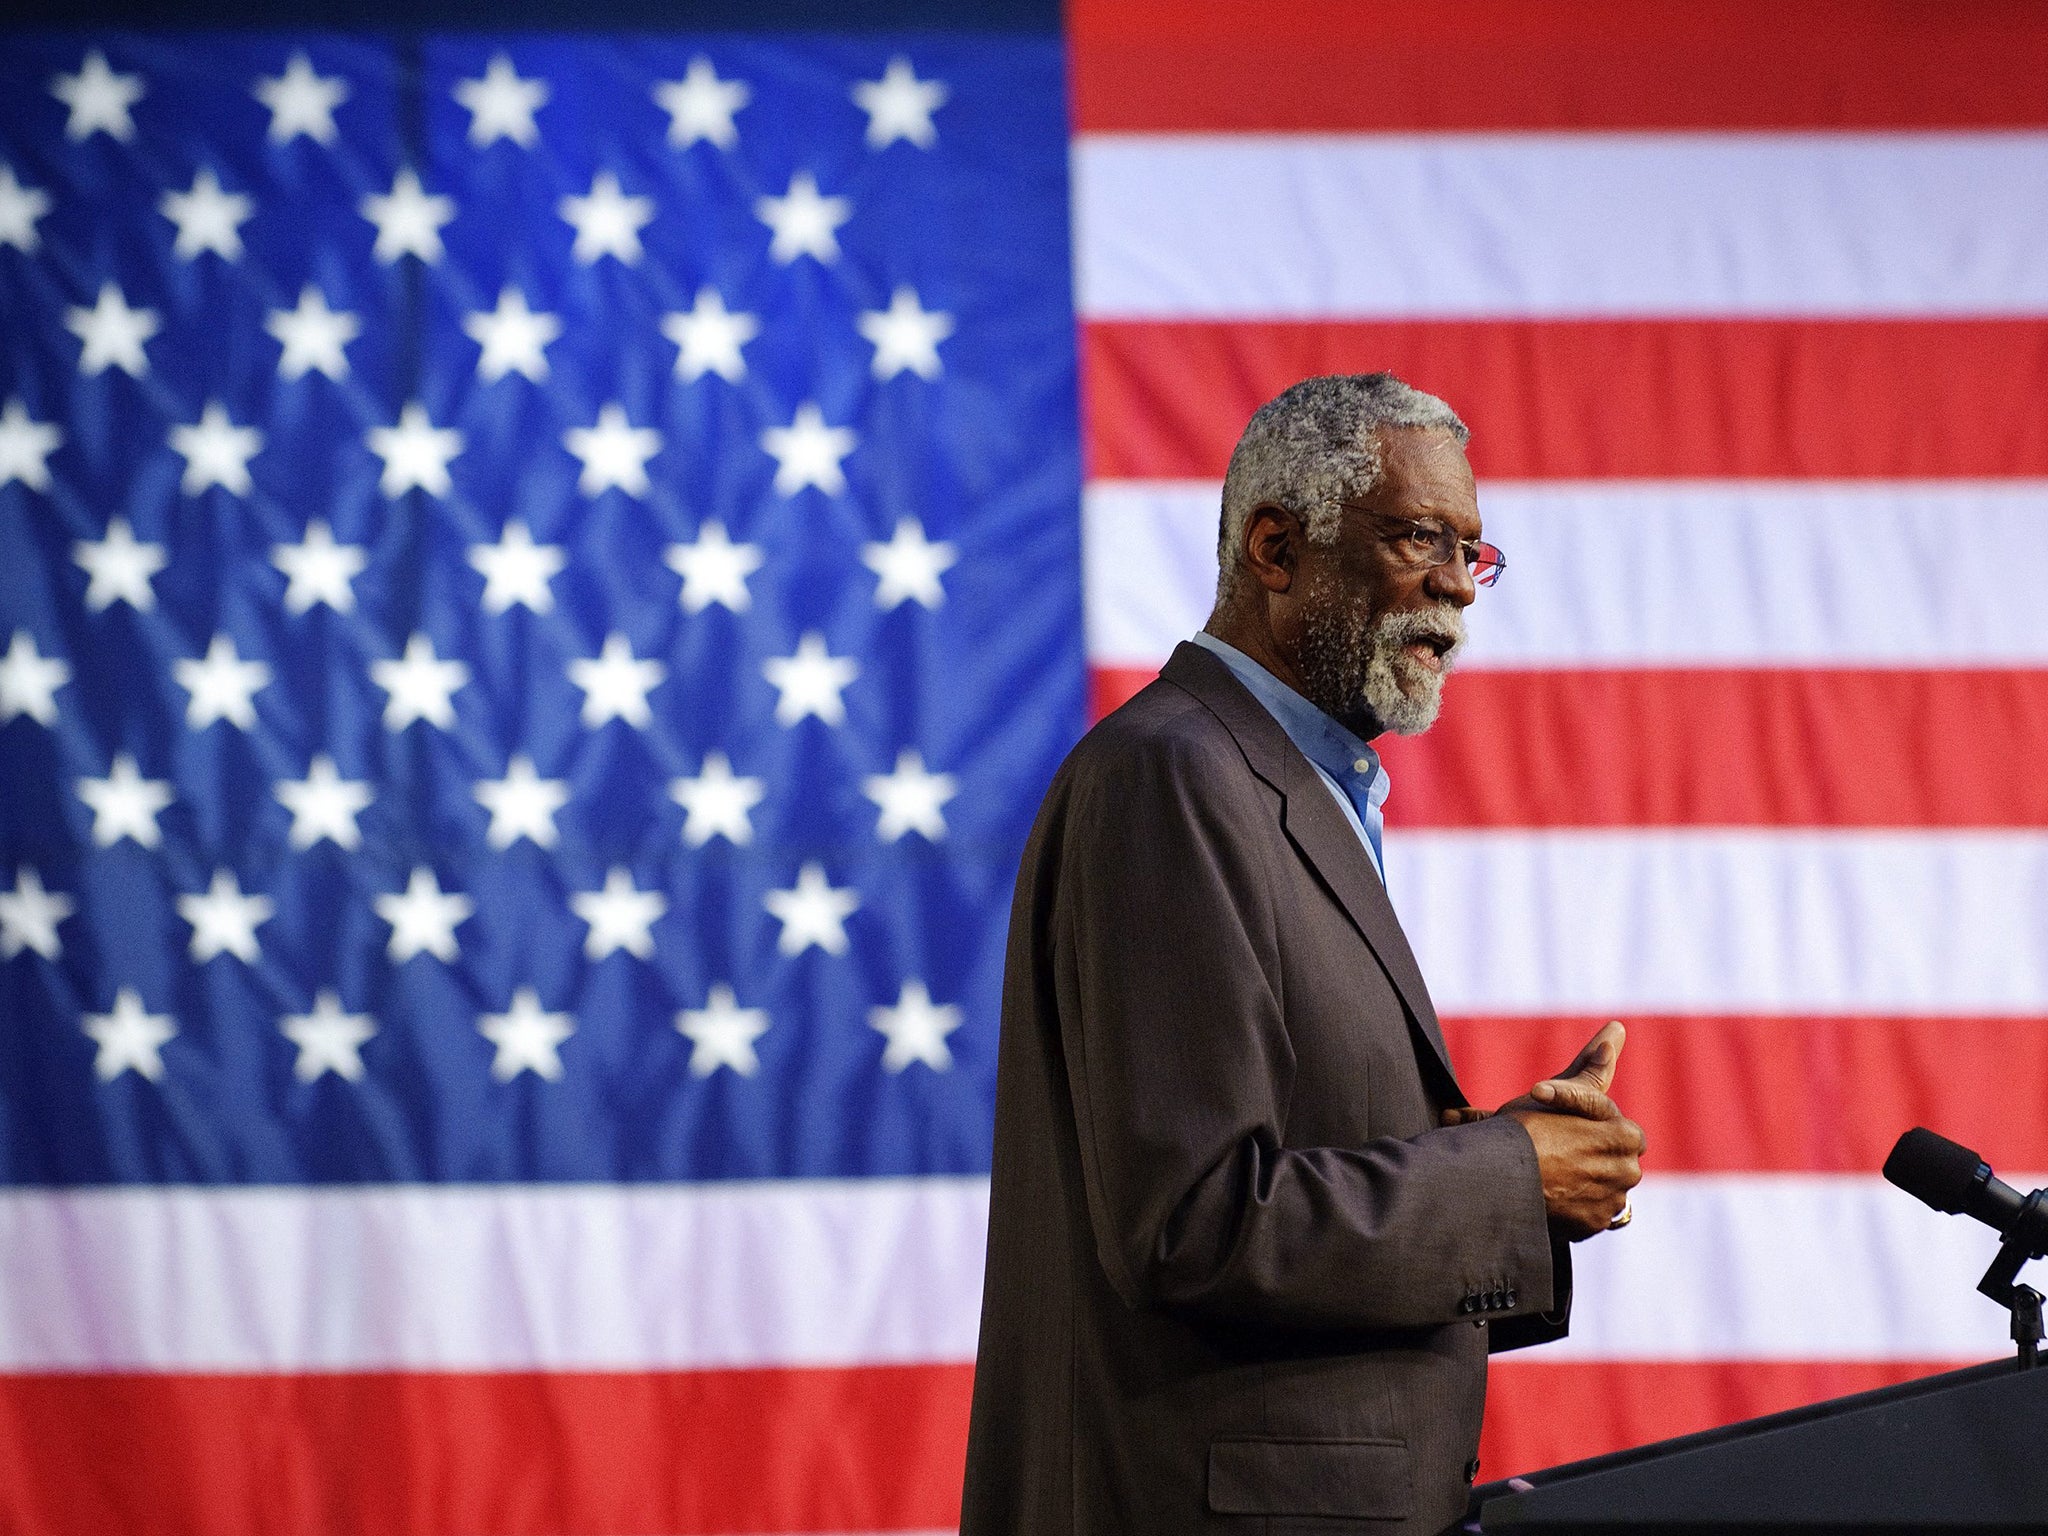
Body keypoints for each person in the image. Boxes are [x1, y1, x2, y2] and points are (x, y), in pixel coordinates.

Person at [959, 374, 1646, 1536]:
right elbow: (1191, 1222)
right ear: (1274, 547)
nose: (1452, 591)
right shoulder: (1173, 776)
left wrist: (1507, 1180)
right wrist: (1502, 1175)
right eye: (1419, 537)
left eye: (1471, 553)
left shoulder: (1291, 791)